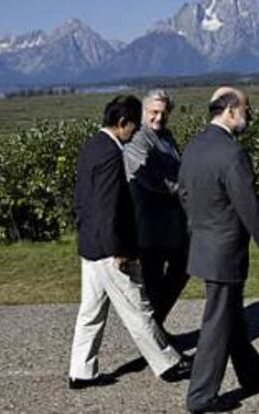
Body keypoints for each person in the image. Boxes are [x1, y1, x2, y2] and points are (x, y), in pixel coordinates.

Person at [68, 95, 191, 390]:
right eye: (134, 127)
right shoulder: (112, 154)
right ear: (122, 123)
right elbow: (110, 207)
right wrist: (120, 249)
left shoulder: (91, 146)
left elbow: (85, 201)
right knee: (139, 308)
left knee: (91, 311)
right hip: (110, 249)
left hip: (90, 245)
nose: (135, 133)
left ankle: (81, 370)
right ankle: (168, 364)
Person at [178, 87, 259, 413]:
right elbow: (250, 206)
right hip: (225, 251)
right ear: (230, 110)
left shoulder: (194, 146)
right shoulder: (231, 153)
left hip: (204, 244)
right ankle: (201, 397)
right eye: (246, 109)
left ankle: (252, 377)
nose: (249, 115)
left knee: (232, 318)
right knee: (217, 325)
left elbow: (183, 192)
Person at [123, 89, 189, 329]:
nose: (159, 118)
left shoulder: (167, 137)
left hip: (169, 221)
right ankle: (152, 336)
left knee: (182, 266)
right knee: (153, 279)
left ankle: (154, 328)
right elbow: (150, 178)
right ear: (143, 111)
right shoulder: (138, 138)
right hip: (148, 222)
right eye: (153, 112)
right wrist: (186, 189)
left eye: (163, 113)